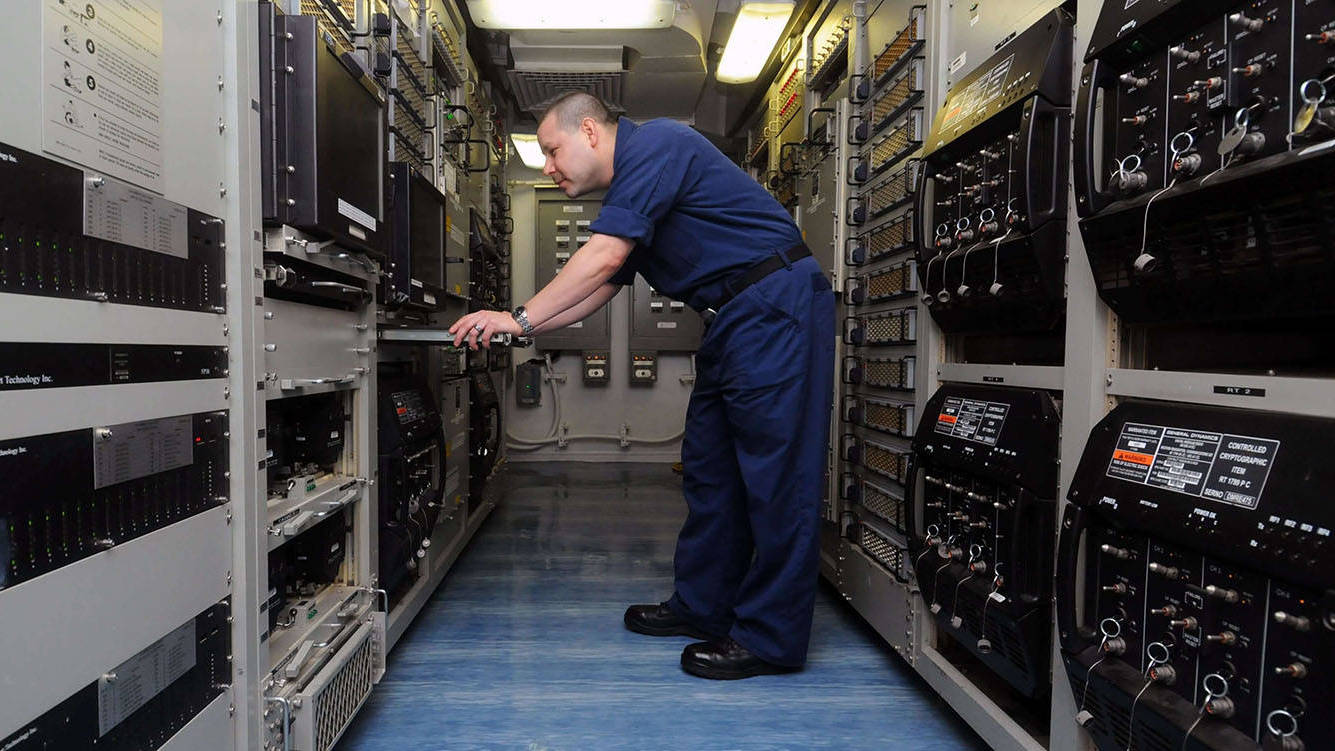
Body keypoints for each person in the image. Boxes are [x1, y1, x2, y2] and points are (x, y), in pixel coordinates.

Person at [448, 91, 834, 680]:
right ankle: (704, 606)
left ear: (591, 131)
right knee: (711, 468)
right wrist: (522, 329)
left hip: (773, 306)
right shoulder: (637, 179)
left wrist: (517, 317)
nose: (548, 167)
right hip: (734, 317)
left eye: (552, 151)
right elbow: (605, 285)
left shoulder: (656, 144)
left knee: (778, 478)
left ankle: (771, 638)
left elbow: (601, 260)